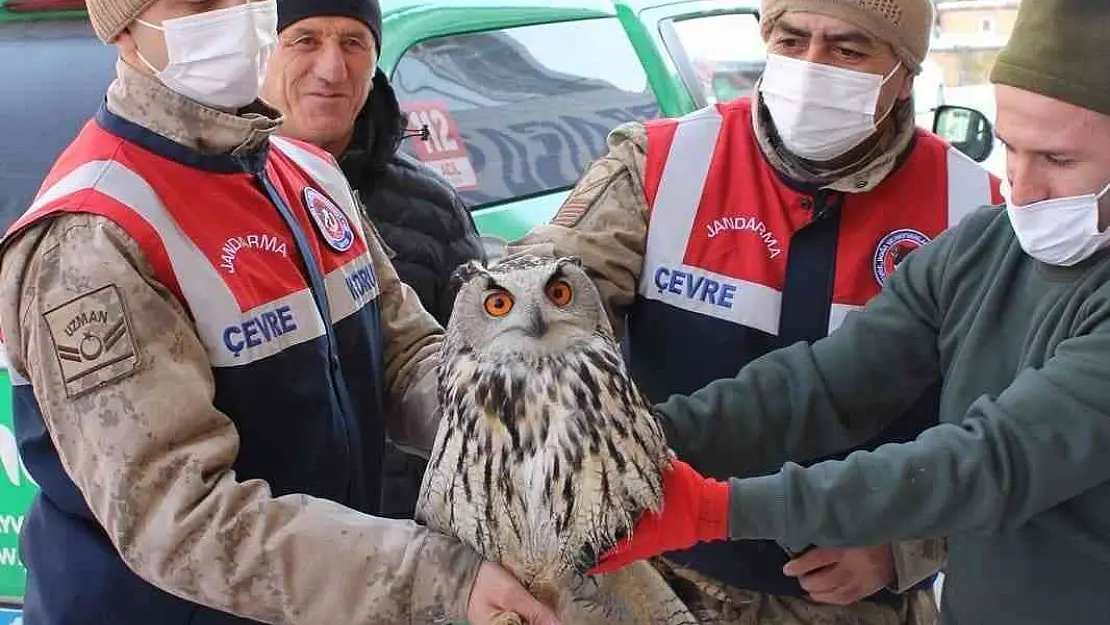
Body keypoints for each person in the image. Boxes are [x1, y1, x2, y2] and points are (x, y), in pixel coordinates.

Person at [0, 1, 557, 624]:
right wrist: (435, 577)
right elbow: (181, 518)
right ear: (125, 25)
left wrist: (541, 432)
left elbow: (406, 359)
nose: (237, 15)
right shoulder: (95, 237)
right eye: (202, 2)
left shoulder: (305, 171)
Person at [587, 1, 1110, 624]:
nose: (1021, 188)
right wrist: (625, 448)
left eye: (1057, 160)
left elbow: (990, 462)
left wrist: (716, 509)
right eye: (1009, 149)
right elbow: (830, 383)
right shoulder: (983, 247)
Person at [511, 0, 999, 621]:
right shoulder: (662, 164)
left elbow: (1013, 433)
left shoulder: (971, 208)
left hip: (847, 603)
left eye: (848, 50)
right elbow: (536, 313)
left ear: (903, 73)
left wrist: (907, 549)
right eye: (792, 40)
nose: (813, 66)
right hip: (659, 581)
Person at [260, 0, 486, 520]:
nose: (332, 69)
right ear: (261, 54)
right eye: (305, 40)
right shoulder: (209, 194)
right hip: (269, 549)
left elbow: (468, 379)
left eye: (353, 43)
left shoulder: (434, 211)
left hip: (411, 548)